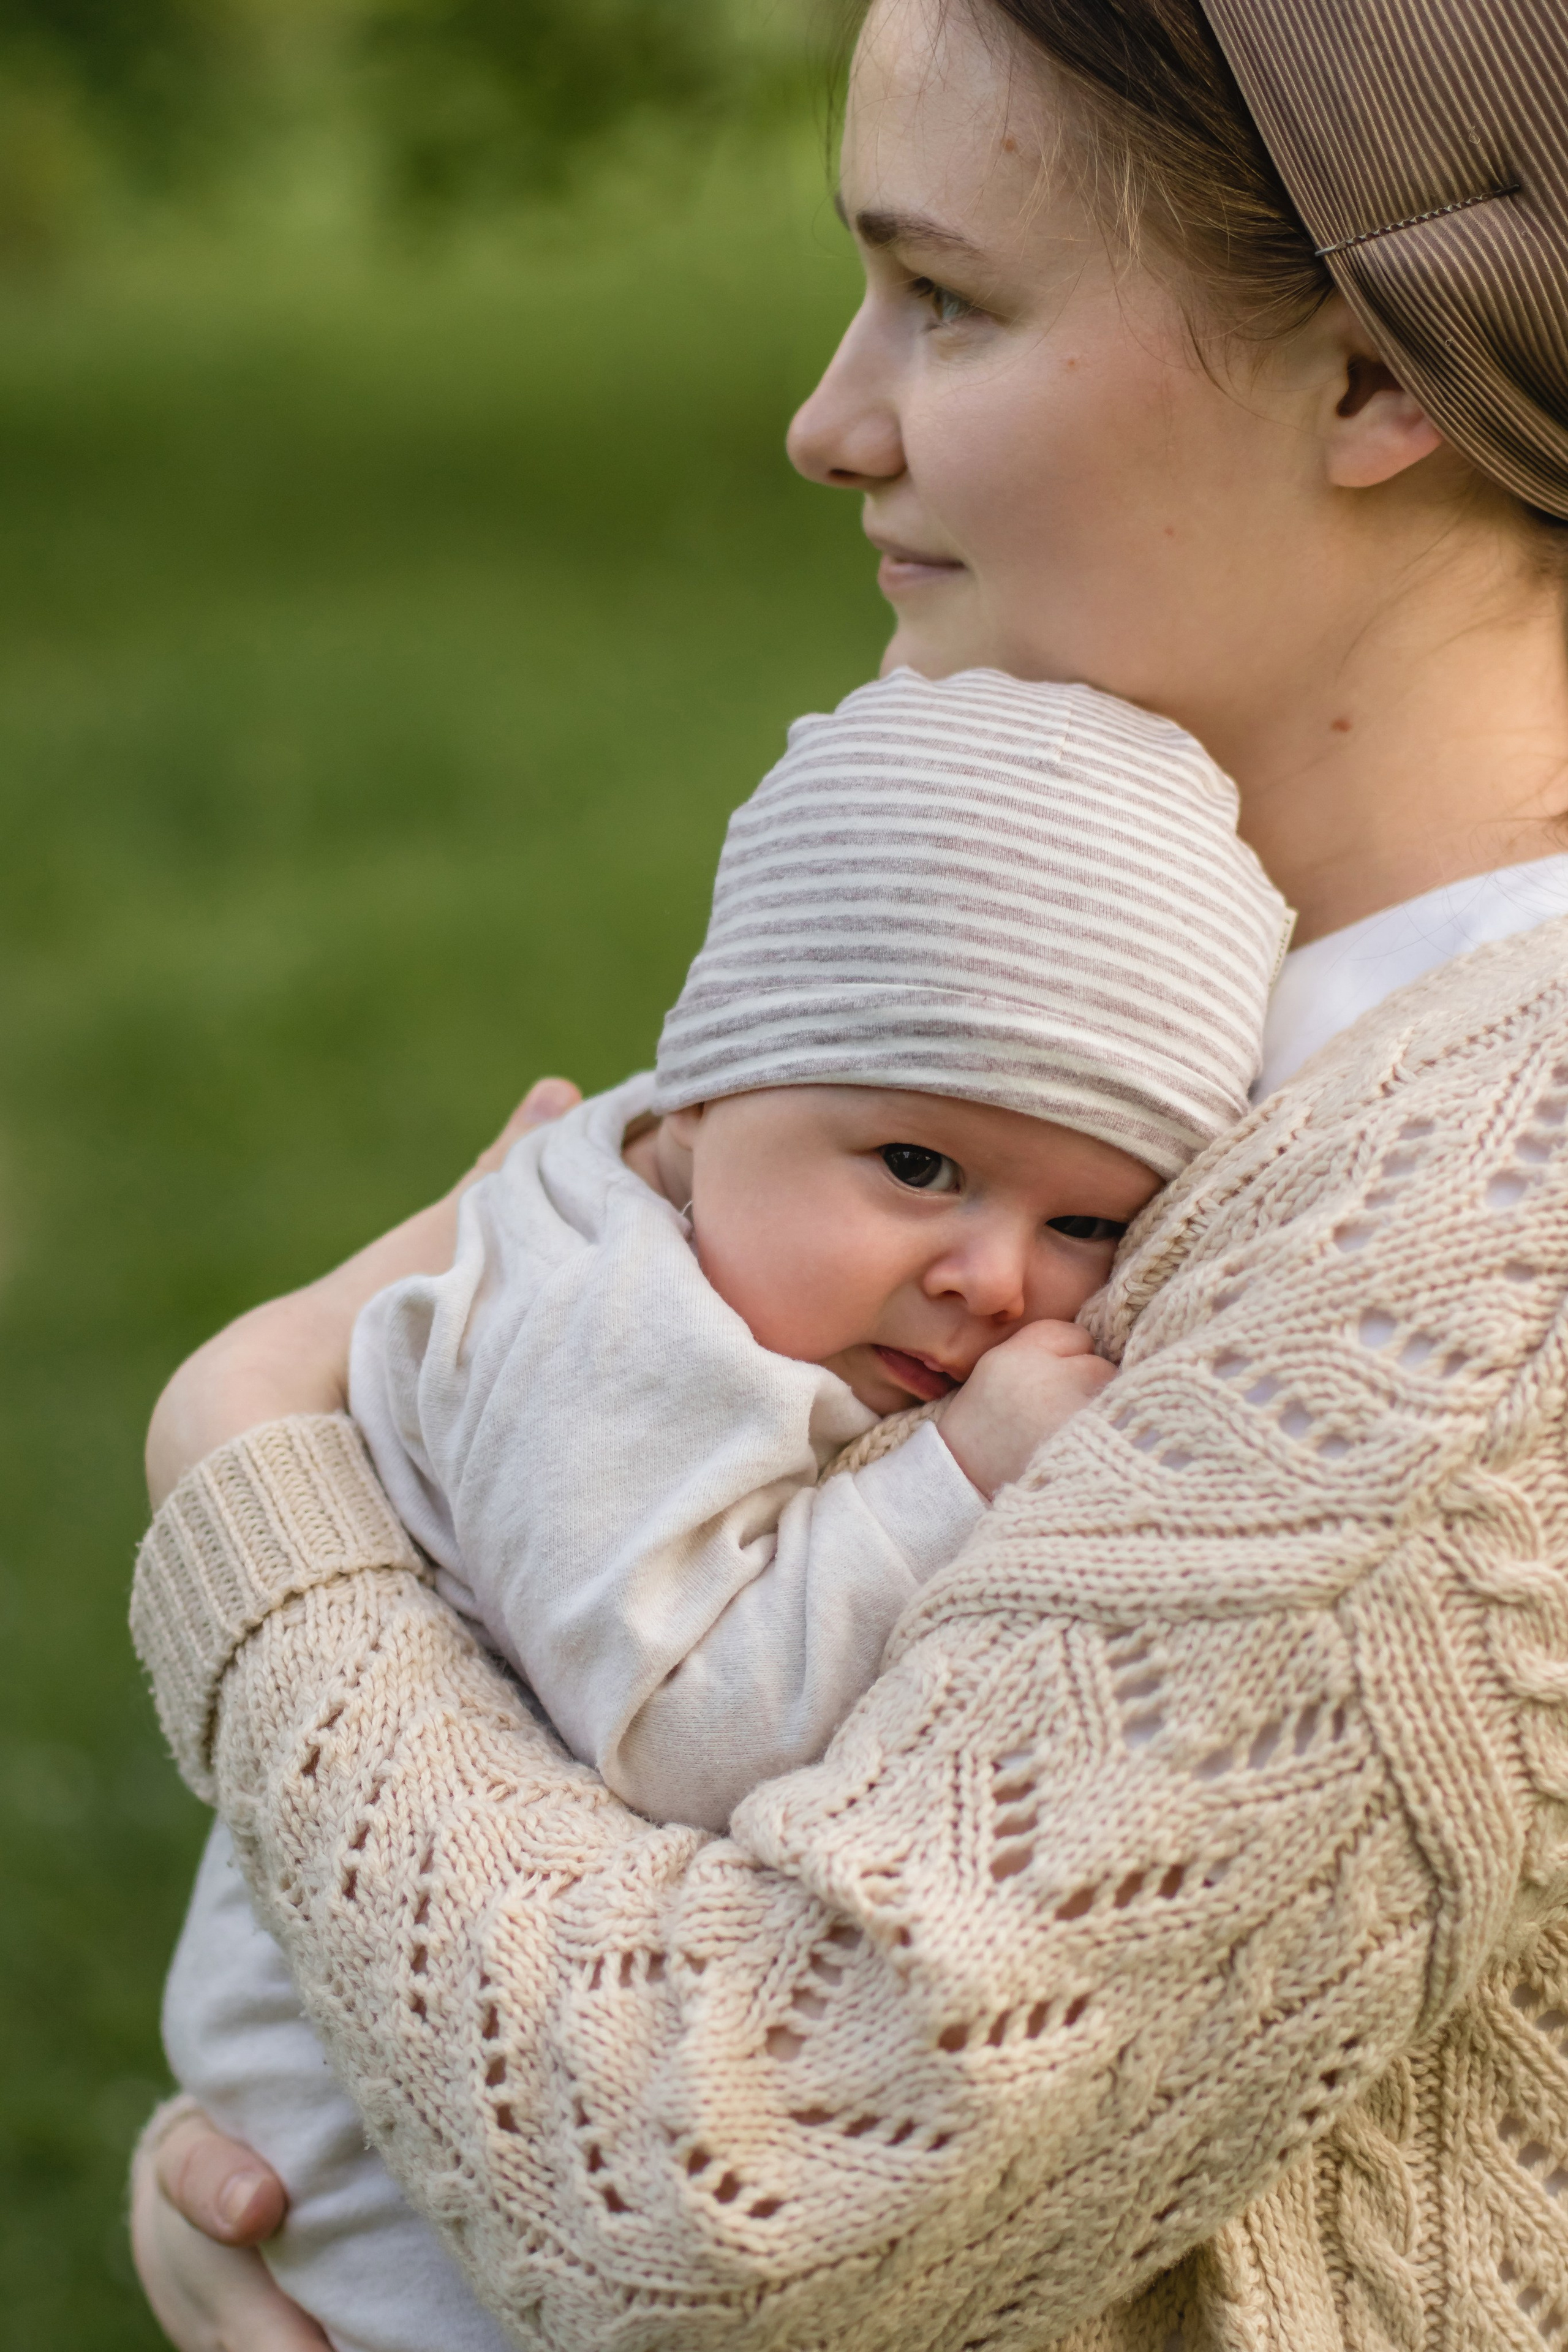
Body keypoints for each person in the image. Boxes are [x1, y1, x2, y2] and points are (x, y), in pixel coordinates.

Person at [128, 0, 1568, 2346]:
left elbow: (730, 2203)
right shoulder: (1115, 999)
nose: (829, 421)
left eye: (950, 298)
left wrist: (254, 1476)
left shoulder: (1496, 1245)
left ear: (1370, 378)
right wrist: (318, 2160)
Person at [157, 666, 1287, 2352]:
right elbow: (680, 1723)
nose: (991, 1276)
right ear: (697, 1101)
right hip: (412, 2145)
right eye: (917, 1166)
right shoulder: (619, 1335)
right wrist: (960, 1479)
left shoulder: (738, 1250)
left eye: (1092, 1228)